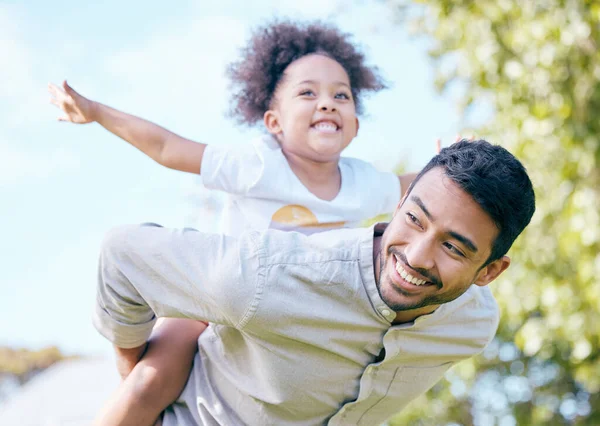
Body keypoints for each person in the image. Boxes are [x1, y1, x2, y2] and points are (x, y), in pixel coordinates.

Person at [48, 20, 418, 425]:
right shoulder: (258, 164)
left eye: (341, 95)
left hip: (296, 309)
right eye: (308, 92)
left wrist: (455, 159)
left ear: (355, 127)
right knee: (147, 382)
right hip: (219, 301)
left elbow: (420, 187)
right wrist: (98, 112)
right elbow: (168, 148)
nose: (327, 102)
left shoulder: (364, 182)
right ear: (274, 121)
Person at [93, 139, 536, 425]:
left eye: (454, 248)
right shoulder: (270, 275)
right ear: (400, 202)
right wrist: (134, 367)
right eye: (415, 219)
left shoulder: (473, 326)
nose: (416, 257)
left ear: (489, 273)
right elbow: (122, 254)